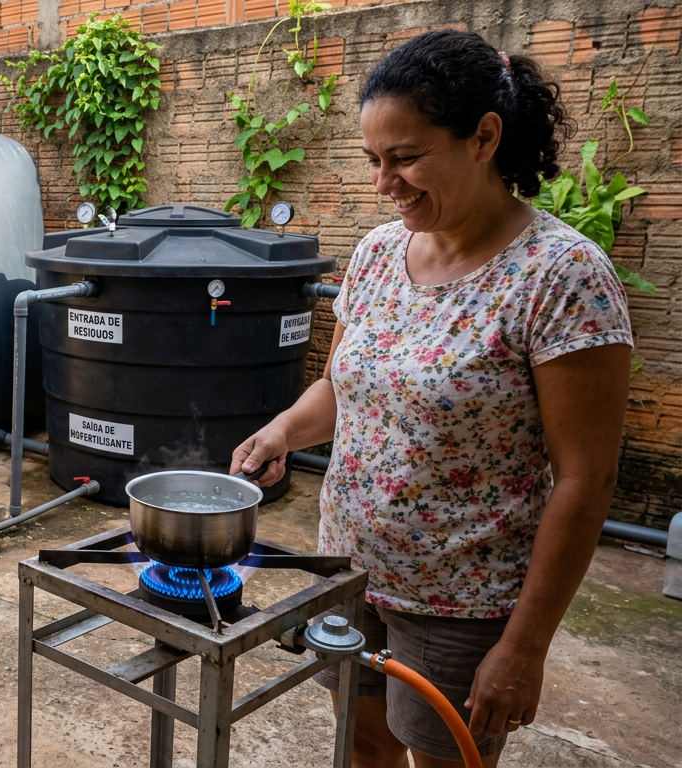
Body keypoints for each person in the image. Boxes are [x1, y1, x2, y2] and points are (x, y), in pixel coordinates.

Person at [230, 29, 634, 768]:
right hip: (347, 568)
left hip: (463, 599)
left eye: (407, 157)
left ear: (484, 138)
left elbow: (586, 477)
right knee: (361, 744)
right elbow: (344, 385)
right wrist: (283, 430)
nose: (385, 183)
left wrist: (525, 647)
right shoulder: (377, 253)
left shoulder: (562, 276)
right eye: (374, 160)